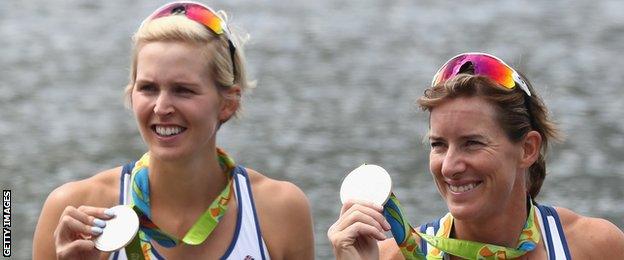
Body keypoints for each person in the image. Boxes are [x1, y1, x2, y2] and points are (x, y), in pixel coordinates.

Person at [33, 1, 314, 259]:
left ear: (228, 103)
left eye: (183, 90)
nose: (161, 107)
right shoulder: (73, 211)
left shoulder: (280, 210)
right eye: (148, 88)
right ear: (132, 95)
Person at [328, 52, 624, 259]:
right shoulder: (391, 256)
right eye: (439, 145)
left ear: (528, 149)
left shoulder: (595, 246)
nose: (450, 166)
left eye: (472, 143)